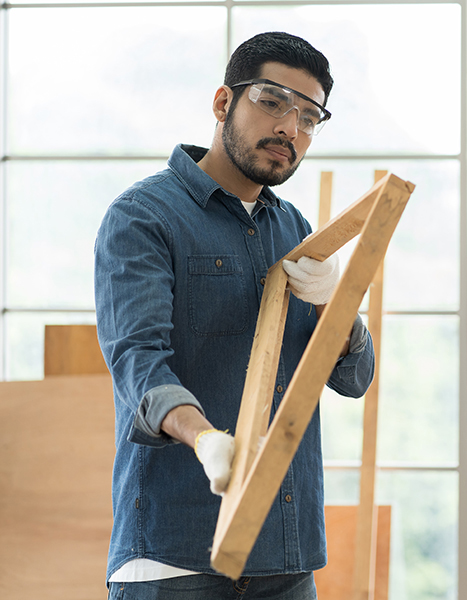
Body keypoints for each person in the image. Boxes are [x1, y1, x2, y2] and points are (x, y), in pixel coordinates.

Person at [94, 31, 375, 600]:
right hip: (176, 560)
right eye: (273, 102)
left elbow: (353, 377)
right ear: (224, 102)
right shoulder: (143, 217)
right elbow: (138, 363)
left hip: (286, 560)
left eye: (310, 116)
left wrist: (333, 305)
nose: (291, 129)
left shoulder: (295, 228)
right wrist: (204, 441)